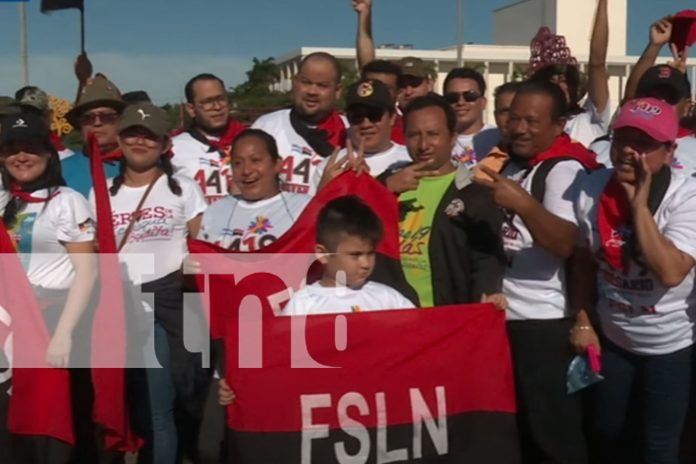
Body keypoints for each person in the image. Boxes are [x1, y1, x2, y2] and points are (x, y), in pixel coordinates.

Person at [474, 80, 599, 464]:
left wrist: (524, 204)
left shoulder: (563, 169)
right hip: (505, 318)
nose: (520, 128)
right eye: (514, 118)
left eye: (533, 121)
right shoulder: (506, 161)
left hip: (545, 325)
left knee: (554, 436)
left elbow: (565, 244)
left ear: (559, 125)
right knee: (519, 433)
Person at [571, 98, 696, 464]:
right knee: (608, 433)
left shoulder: (686, 195)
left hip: (671, 347)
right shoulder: (591, 189)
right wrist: (583, 320)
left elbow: (671, 272)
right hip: (614, 341)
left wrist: (640, 207)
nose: (628, 151)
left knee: (659, 444)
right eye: (622, 139)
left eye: (643, 144)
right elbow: (581, 261)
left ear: (670, 149)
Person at [92, 102, 207, 464]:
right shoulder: (100, 195)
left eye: (149, 135)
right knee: (131, 406)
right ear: (120, 140)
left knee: (161, 407)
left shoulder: (183, 189)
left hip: (167, 305)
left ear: (163, 143)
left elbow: (201, 247)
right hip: (118, 305)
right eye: (132, 134)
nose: (139, 141)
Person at [0, 112, 97, 462]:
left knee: (52, 420)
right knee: (12, 419)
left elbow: (87, 271)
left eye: (30, 147)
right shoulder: (2, 201)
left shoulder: (67, 201)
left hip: (52, 321)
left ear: (48, 152)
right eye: (11, 148)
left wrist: (65, 333)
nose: (20, 156)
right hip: (9, 326)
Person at [381, 94, 505, 307]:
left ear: (452, 137)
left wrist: (486, 296)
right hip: (392, 316)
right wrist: (382, 191)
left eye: (433, 134)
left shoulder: (475, 193)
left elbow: (487, 259)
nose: (423, 144)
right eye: (413, 135)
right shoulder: (387, 182)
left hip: (446, 318)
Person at [283, 195, 415, 315]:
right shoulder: (302, 305)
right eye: (355, 255)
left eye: (370, 253)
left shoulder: (388, 298)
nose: (366, 264)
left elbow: (418, 333)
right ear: (323, 254)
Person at [199, 129, 311, 250]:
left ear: (277, 164)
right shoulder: (215, 211)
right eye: (237, 163)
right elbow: (202, 254)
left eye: (255, 160)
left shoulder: (304, 208)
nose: (246, 170)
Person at [252, 52, 347, 195]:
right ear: (295, 82)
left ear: (338, 91)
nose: (312, 91)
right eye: (306, 82)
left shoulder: (351, 133)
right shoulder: (266, 127)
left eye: (322, 85)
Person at [527, 0, 611, 147]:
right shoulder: (531, 129)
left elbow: (597, 64)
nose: (558, 86)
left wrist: (603, 3)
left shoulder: (590, 118)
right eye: (550, 81)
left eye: (563, 79)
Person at [312, 79, 411, 191]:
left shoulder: (409, 159)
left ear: (392, 117)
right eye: (357, 116)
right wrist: (326, 190)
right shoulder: (330, 168)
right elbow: (314, 208)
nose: (366, 124)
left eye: (374, 115)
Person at [171, 74, 246, 204]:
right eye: (207, 102)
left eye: (221, 99)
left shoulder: (250, 141)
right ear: (191, 109)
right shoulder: (174, 149)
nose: (217, 107)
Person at [62, 74, 127, 196]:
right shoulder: (60, 171)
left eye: (107, 116)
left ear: (122, 120)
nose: (97, 123)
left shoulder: (144, 165)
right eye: (88, 118)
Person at [443, 67, 499, 167]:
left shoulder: (500, 139)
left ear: (483, 103)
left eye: (470, 97)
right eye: (452, 98)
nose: (461, 102)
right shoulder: (436, 142)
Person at [15, 86, 74, 160]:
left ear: (49, 116)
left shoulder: (67, 158)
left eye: (35, 114)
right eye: (23, 114)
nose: (29, 120)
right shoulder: (8, 157)